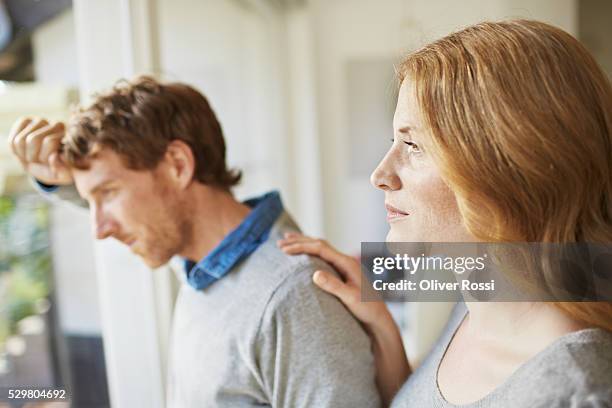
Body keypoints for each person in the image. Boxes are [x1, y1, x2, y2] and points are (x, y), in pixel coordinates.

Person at [278, 20, 612, 407]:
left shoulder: (576, 392)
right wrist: (382, 326)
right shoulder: (479, 301)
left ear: (510, 166)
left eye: (413, 145)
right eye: (394, 142)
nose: (380, 176)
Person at [7, 77, 381, 407]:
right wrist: (58, 180)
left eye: (108, 193)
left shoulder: (293, 299)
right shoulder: (201, 260)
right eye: (90, 201)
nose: (99, 229)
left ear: (178, 165)